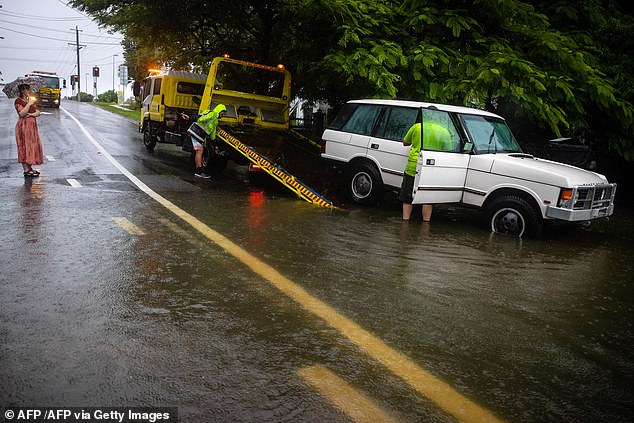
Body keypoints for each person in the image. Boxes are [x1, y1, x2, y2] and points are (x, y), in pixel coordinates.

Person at [181, 104, 227, 178]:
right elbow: (201, 118)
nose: (223, 114)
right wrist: (191, 118)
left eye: (224, 113)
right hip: (196, 132)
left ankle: (198, 170)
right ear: (219, 110)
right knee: (199, 151)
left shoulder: (215, 120)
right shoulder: (212, 114)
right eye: (222, 112)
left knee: (199, 151)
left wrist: (215, 141)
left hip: (198, 135)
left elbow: (212, 134)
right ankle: (198, 171)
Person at [14, 84, 43, 177]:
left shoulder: (30, 99)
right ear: (22, 90)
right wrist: (29, 104)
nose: (28, 91)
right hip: (23, 126)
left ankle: (29, 167)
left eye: (29, 89)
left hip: (32, 126)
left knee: (31, 146)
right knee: (24, 145)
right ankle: (26, 169)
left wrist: (31, 115)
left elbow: (38, 112)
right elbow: (22, 114)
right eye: (27, 89)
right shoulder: (18, 101)